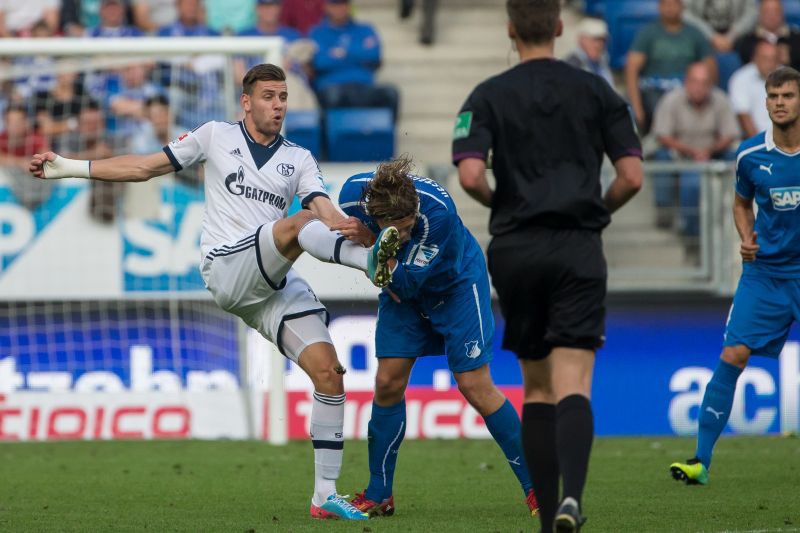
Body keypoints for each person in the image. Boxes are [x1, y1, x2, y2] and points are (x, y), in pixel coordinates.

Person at [29, 63, 401, 520]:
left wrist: (340, 223)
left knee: (330, 375)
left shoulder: (299, 158)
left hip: (270, 285)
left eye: (283, 96)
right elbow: (144, 167)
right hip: (227, 267)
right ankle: (371, 266)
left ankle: (324, 496)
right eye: (268, 96)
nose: (278, 104)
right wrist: (68, 167)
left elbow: (318, 202)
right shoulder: (213, 136)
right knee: (297, 225)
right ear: (246, 101)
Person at [454, 1, 643, 531]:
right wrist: (592, 214)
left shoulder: (486, 95)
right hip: (577, 245)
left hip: (517, 248)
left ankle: (544, 520)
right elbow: (631, 175)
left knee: (535, 387)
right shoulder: (599, 92)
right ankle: (573, 501)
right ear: (561, 28)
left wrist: (507, 206)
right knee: (574, 382)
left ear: (511, 30)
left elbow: (470, 175)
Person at [332, 158, 538, 518]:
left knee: (474, 384)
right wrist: (372, 243)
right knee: (387, 381)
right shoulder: (353, 195)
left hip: (456, 285)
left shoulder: (437, 214)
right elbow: (371, 254)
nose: (407, 233)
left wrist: (376, 248)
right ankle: (379, 493)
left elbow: (408, 283)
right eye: (397, 229)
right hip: (402, 288)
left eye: (409, 227)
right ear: (377, 217)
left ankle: (538, 487)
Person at [669, 66, 800, 486]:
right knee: (732, 356)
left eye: (789, 95)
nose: (780, 102)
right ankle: (700, 461)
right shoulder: (750, 155)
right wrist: (746, 235)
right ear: (765, 102)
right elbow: (741, 204)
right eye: (774, 95)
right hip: (765, 273)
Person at [651, 61, 739, 235]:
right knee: (662, 156)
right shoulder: (671, 100)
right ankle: (666, 211)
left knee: (738, 156)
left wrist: (709, 150)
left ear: (711, 84)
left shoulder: (720, 99)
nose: (699, 87)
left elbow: (730, 134)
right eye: (694, 81)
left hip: (713, 153)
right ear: (686, 82)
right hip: (680, 154)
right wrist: (692, 152)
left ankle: (740, 208)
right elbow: (662, 136)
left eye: (704, 82)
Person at [625, 0, 715, 133]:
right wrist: (637, 107)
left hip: (686, 88)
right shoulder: (648, 32)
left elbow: (710, 65)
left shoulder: (694, 33)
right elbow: (632, 68)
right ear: (659, 7)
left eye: (674, 4)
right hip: (654, 89)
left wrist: (706, 90)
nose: (670, 9)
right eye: (666, 4)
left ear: (682, 7)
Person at [309, 0, 399, 120]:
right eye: (335, 4)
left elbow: (374, 55)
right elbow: (320, 62)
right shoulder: (317, 32)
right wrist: (359, 52)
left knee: (391, 93)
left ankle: (385, 138)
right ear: (326, 7)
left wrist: (342, 53)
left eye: (343, 3)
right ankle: (330, 138)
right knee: (333, 96)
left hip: (364, 87)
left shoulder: (365, 29)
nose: (340, 8)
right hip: (333, 86)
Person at [729, 39, 780, 138]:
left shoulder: (788, 77)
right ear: (755, 58)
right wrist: (761, 146)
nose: (770, 64)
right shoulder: (740, 78)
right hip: (755, 141)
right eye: (765, 58)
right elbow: (743, 117)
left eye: (773, 59)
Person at [735, 0, 800, 72]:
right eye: (767, 11)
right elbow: (745, 59)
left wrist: (790, 56)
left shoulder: (796, 37)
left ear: (782, 13)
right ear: (759, 14)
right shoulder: (748, 40)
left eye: (775, 11)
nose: (771, 15)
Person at [564, 17, 613, 88]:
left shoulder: (602, 60)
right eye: (596, 39)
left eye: (603, 40)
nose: (600, 44)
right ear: (581, 40)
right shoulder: (571, 65)